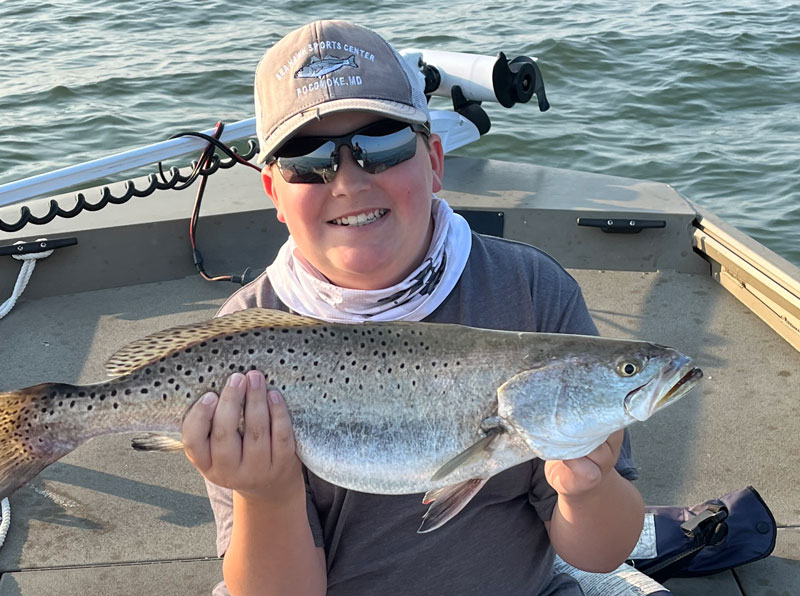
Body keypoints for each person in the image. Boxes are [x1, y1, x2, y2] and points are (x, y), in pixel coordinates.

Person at [181, 19, 672, 596]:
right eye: (308, 159)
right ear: (275, 196)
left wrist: (588, 488)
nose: (348, 179)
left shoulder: (533, 291)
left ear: (435, 159)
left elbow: (598, 552)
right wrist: (267, 494)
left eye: (382, 144)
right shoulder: (240, 343)